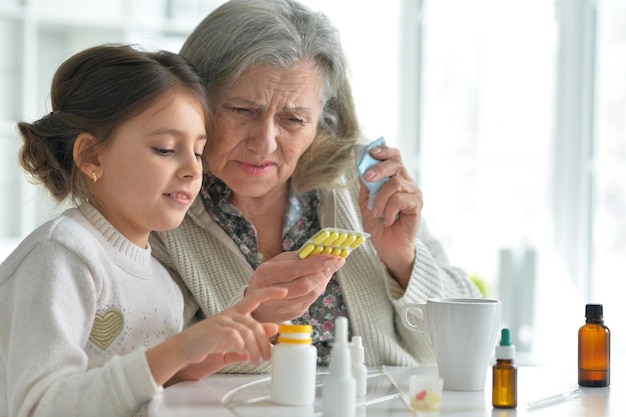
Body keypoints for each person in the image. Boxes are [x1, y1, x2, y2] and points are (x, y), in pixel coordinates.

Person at [150, 0, 481, 373]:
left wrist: (403, 260)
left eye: (293, 119)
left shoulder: (362, 180)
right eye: (242, 111)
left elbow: (470, 345)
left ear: (322, 122)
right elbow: (141, 369)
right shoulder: (157, 204)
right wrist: (257, 318)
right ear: (196, 102)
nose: (265, 143)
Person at [0, 44, 286, 417]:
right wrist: (177, 350)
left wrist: (191, 364)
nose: (192, 169)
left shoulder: (162, 283)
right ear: (92, 157)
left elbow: (123, 389)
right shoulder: (62, 256)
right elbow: (38, 407)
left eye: (198, 152)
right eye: (166, 149)